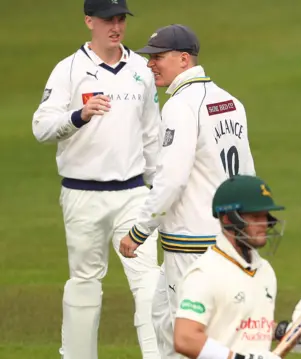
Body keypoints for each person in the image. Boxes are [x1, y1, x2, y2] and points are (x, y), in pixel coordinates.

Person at [117, 24, 257, 359]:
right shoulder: (231, 102)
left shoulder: (181, 106)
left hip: (191, 244)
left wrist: (139, 230)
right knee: (167, 321)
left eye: (158, 57)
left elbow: (171, 178)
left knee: (190, 341)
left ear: (183, 59)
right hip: (227, 241)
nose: (151, 64)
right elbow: (249, 174)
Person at [32, 0, 162, 358]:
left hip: (134, 193)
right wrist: (79, 116)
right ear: (89, 21)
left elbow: (152, 134)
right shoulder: (68, 70)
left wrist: (161, 190)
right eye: (107, 20)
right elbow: (41, 127)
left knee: (149, 280)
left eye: (120, 19)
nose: (115, 27)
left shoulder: (141, 69)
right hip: (82, 193)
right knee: (85, 284)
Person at [172, 174, 301, 359]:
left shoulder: (264, 270)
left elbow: (247, 325)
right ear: (228, 219)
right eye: (255, 216)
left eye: (266, 216)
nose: (264, 224)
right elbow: (185, 338)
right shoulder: (204, 274)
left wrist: (286, 332)